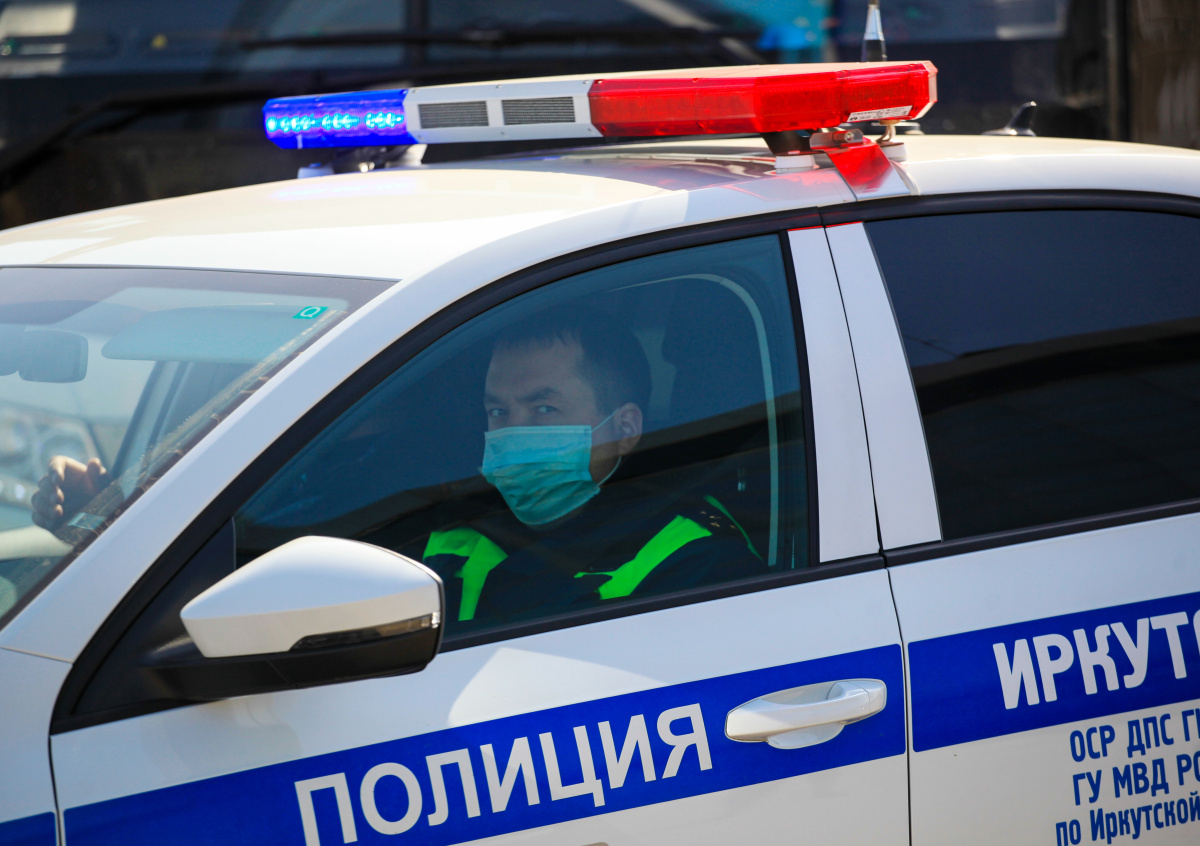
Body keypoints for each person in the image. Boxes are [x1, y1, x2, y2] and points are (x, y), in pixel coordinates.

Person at [420, 308, 766, 626]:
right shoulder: (454, 532)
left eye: (544, 409)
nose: (513, 436)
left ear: (625, 428)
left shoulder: (699, 560)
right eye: (498, 412)